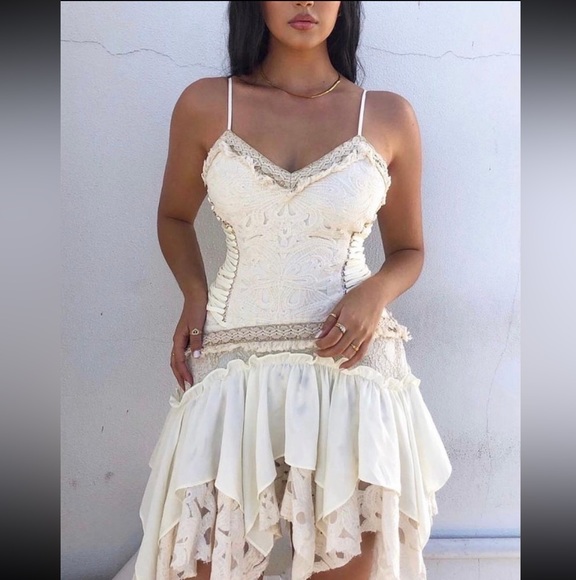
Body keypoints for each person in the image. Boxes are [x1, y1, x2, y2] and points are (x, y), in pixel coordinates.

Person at [133, 2, 451, 579]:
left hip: (350, 370)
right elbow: (173, 217)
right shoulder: (207, 104)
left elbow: (410, 250)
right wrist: (193, 295)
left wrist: (375, 293)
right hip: (232, 365)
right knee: (205, 561)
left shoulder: (387, 115)